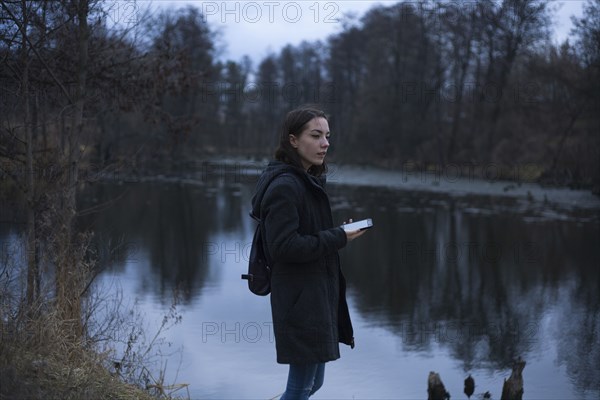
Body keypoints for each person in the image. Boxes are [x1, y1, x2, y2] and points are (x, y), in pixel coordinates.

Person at [251, 105, 366, 399]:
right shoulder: (286, 187)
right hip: (300, 299)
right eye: (316, 135)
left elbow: (308, 236)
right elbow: (284, 247)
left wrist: (339, 234)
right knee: (300, 388)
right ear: (292, 140)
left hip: (314, 294)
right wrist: (337, 237)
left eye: (327, 136)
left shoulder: (306, 181)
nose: (325, 143)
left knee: (313, 385)